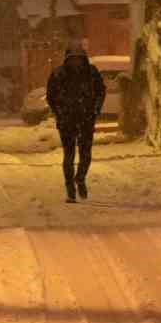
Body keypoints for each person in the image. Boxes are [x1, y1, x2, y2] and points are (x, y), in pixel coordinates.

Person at [45, 42, 106, 203]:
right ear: (67, 59)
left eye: (79, 59)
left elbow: (101, 91)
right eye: (73, 59)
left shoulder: (91, 73)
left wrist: (95, 110)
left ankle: (80, 178)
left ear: (84, 59)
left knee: (85, 154)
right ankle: (70, 188)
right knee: (69, 154)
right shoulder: (59, 74)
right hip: (67, 121)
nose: (76, 62)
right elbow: (50, 96)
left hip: (86, 119)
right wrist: (59, 113)